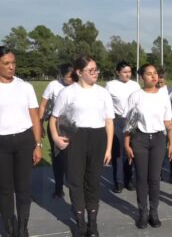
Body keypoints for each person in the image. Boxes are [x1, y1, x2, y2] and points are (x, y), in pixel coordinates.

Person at [49, 56, 114, 237]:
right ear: (79, 72)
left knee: (93, 182)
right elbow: (53, 119)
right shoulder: (68, 92)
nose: (96, 73)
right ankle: (80, 223)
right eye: (91, 70)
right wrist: (55, 138)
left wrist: (108, 148)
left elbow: (109, 122)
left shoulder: (103, 92)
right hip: (75, 139)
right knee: (76, 182)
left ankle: (92, 223)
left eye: (96, 69)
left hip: (97, 138)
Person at [123, 64, 172, 229]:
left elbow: (168, 122)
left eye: (155, 74)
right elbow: (129, 123)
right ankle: (143, 213)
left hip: (159, 139)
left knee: (154, 178)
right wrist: (126, 144)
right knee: (141, 178)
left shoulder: (163, 95)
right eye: (149, 74)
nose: (154, 77)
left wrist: (171, 143)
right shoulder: (135, 96)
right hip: (140, 139)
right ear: (142, 77)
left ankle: (154, 212)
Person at [0, 46, 42, 237]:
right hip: (2, 143)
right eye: (6, 63)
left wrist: (38, 144)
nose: (11, 67)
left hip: (24, 141)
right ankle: (9, 225)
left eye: (13, 63)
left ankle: (22, 227)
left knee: (24, 188)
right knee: (5, 188)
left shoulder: (25, 87)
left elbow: (34, 118)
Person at [38, 63, 74, 199]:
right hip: (56, 124)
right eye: (69, 77)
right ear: (62, 76)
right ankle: (58, 187)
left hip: (74, 125)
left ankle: (72, 182)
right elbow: (42, 106)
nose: (72, 79)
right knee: (58, 156)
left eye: (74, 76)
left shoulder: (78, 86)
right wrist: (40, 124)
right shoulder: (53, 85)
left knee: (73, 156)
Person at [105, 61, 140, 193]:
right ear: (117, 72)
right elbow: (106, 104)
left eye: (129, 72)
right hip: (118, 120)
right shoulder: (110, 85)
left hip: (133, 121)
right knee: (118, 153)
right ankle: (118, 181)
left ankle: (129, 180)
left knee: (130, 152)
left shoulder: (135, 85)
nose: (127, 74)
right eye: (124, 72)